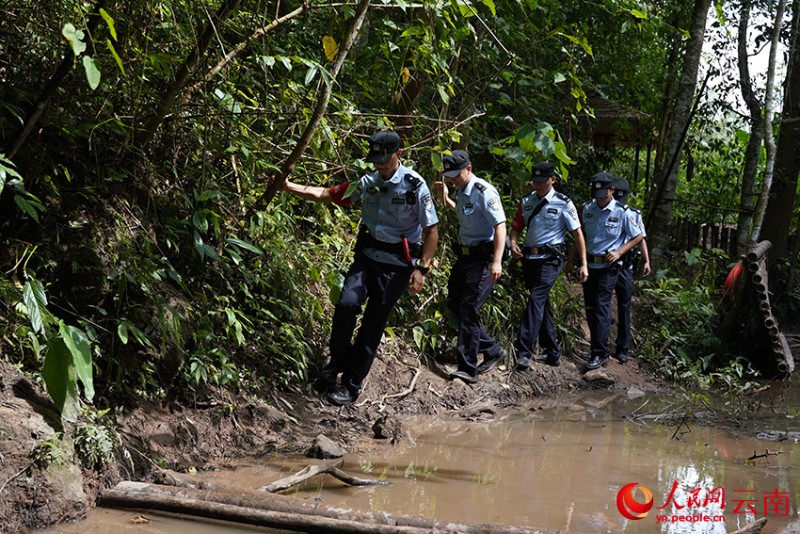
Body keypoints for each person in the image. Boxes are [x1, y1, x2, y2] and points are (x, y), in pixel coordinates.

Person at [283, 130, 439, 405]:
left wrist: (421, 269)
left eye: (385, 159)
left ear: (398, 154)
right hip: (366, 258)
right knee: (345, 304)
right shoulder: (367, 182)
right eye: (375, 159)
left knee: (372, 323)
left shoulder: (415, 185)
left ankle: (352, 384)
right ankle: (336, 364)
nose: (379, 164)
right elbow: (327, 194)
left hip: (396, 266)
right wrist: (287, 186)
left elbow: (431, 229)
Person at [434, 150, 508, 384]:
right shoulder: (461, 191)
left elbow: (500, 226)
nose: (453, 179)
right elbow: (465, 214)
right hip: (465, 257)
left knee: (469, 306)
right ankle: (494, 350)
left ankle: (467, 367)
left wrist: (497, 261)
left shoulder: (484, 192)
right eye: (450, 176)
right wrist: (445, 198)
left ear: (469, 168)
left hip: (483, 257)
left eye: (456, 174)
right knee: (455, 304)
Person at [509, 162, 588, 369]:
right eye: (535, 182)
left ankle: (524, 351)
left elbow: (577, 233)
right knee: (542, 303)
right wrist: (514, 244)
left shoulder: (564, 203)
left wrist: (583, 264)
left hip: (551, 259)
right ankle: (552, 352)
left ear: (552, 179)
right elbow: (516, 228)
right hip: (530, 259)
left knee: (536, 299)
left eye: (542, 182)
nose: (538, 186)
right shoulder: (526, 201)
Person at [581, 172, 642, 371]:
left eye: (603, 193)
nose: (599, 197)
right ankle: (596, 347)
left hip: (609, 267)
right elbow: (580, 235)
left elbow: (638, 236)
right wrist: (575, 261)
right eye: (596, 193)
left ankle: (600, 353)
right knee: (590, 308)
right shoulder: (587, 209)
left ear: (611, 191)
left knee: (601, 306)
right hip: (590, 265)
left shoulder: (622, 212)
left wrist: (619, 252)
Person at [611, 178, 651, 364]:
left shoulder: (633, 214)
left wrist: (646, 260)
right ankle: (601, 346)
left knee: (624, 306)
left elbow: (640, 238)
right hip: (606, 265)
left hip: (625, 265)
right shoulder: (602, 210)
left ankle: (622, 348)